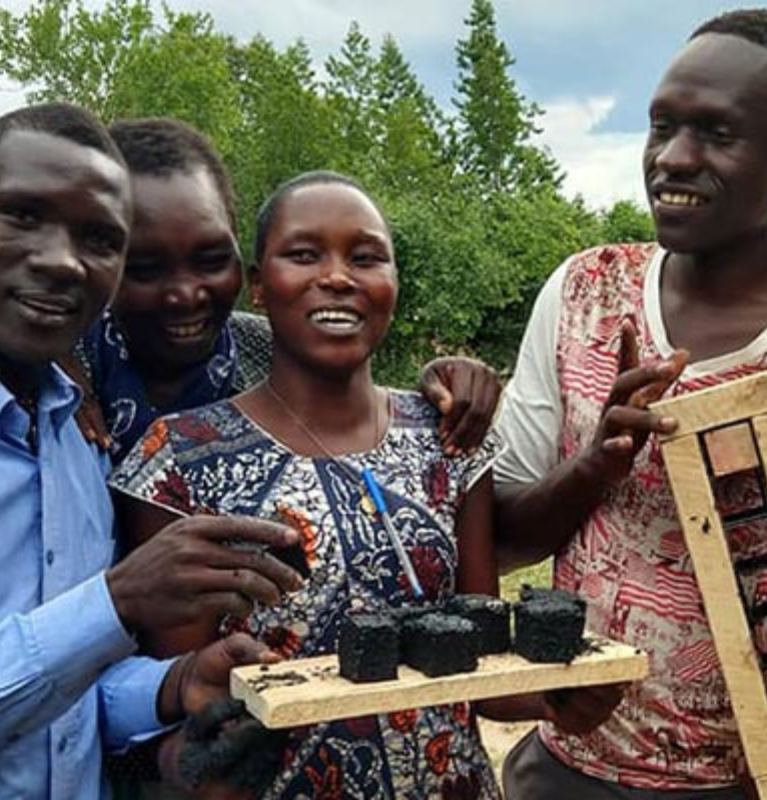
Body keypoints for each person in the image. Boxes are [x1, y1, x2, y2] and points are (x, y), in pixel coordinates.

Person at [494, 8, 767, 797]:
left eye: (718, 134)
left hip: (739, 786)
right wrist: (594, 468)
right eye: (662, 126)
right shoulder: (583, 296)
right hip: (563, 773)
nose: (673, 157)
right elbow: (502, 535)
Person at [110, 171, 621, 799]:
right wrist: (188, 763)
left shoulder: (450, 440)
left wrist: (557, 696)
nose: (338, 277)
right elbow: (177, 699)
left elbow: (482, 671)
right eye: (304, 254)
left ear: (394, 283)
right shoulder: (180, 459)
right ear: (259, 286)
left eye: (366, 256)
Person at [0, 101, 308, 799]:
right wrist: (121, 599)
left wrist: (175, 686)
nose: (61, 261)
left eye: (99, 239)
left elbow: (67, 701)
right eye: (19, 215)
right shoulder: (89, 410)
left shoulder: (69, 448)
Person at [69, 116, 499, 463]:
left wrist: (441, 387)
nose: (185, 294)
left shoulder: (270, 348)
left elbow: (356, 396)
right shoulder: (57, 380)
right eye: (145, 268)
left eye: (212, 260)